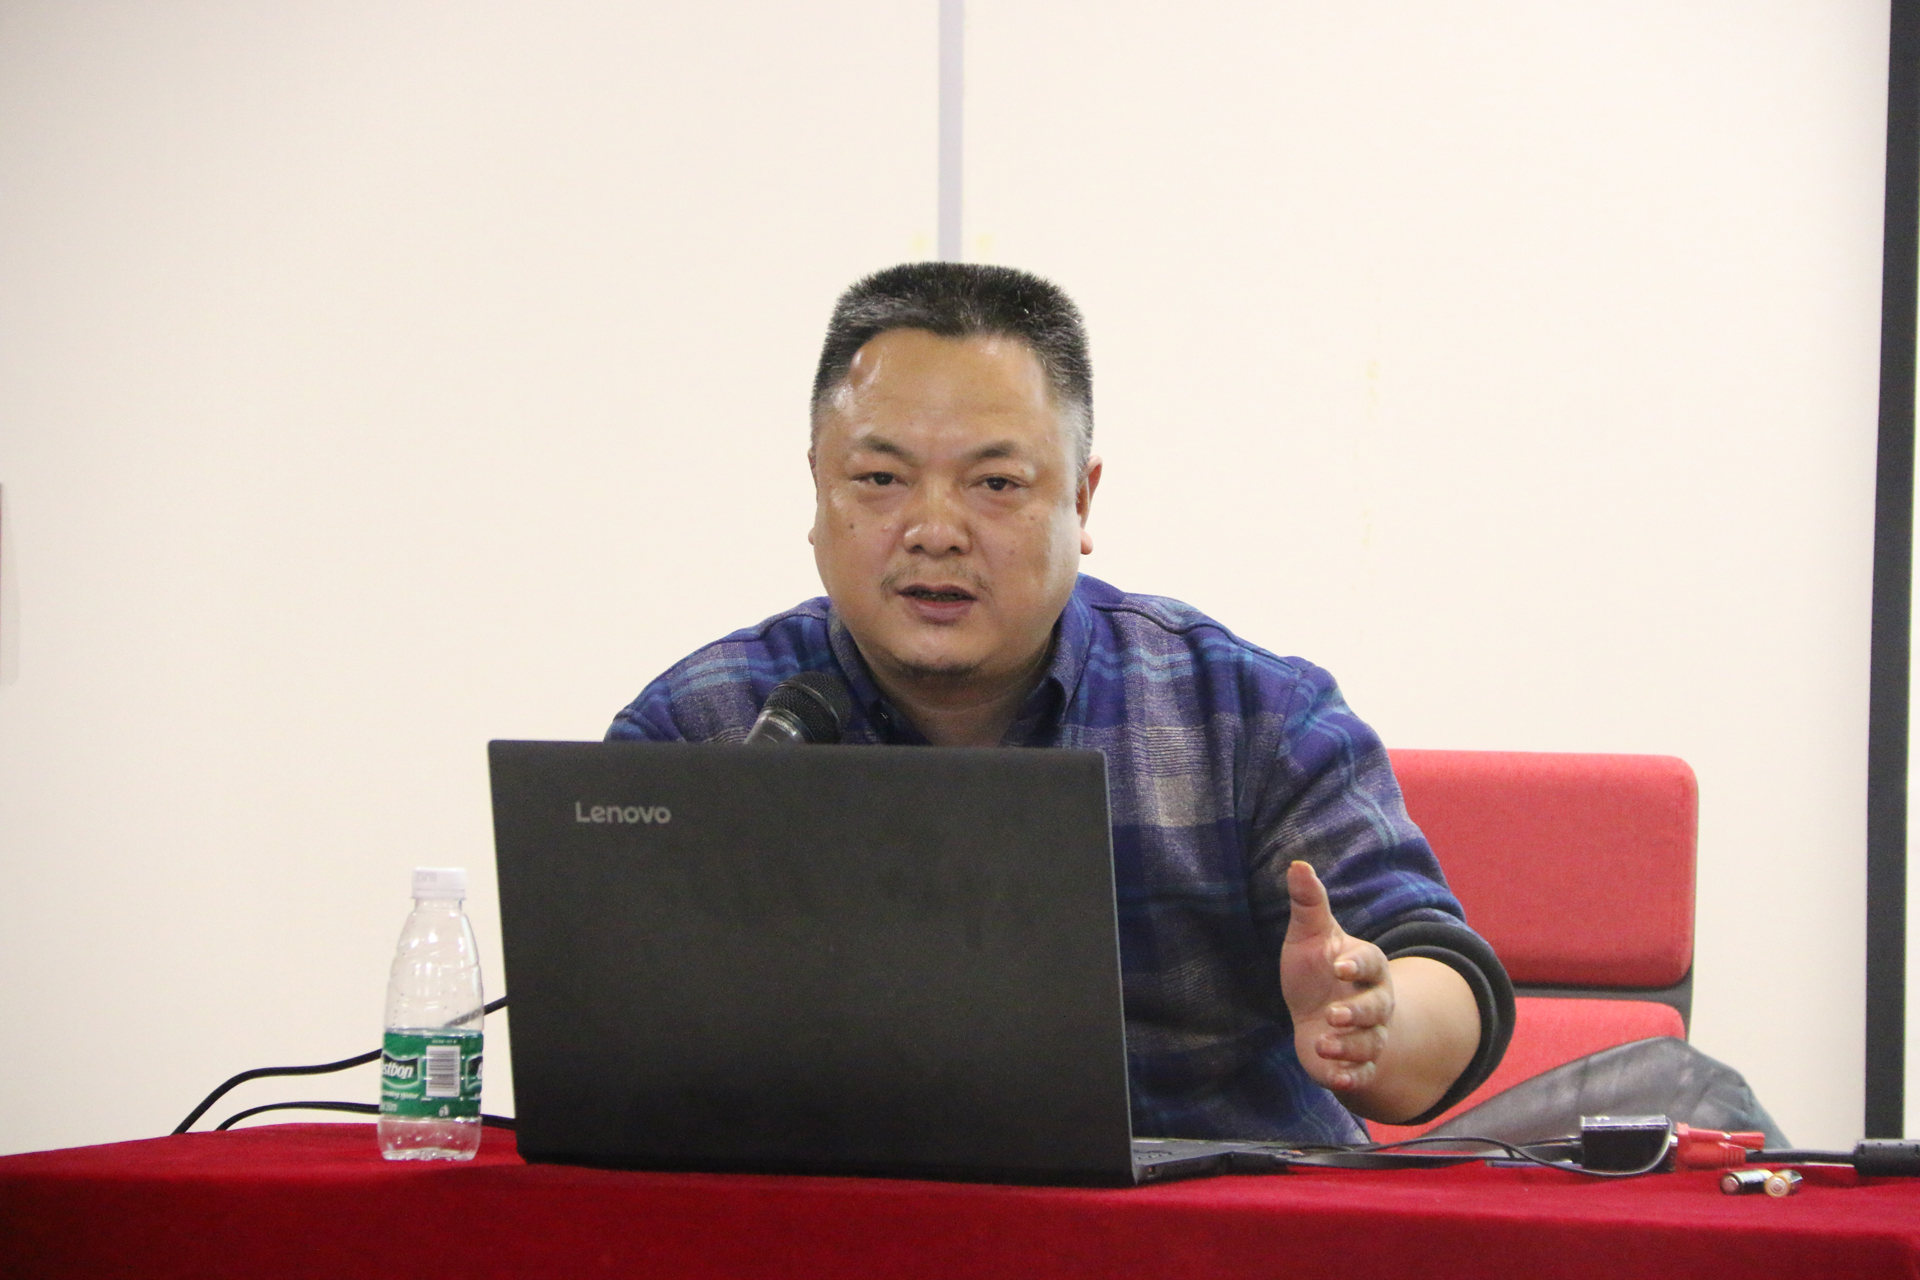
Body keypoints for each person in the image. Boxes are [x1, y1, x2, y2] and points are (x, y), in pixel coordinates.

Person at [608, 262, 1513, 1143]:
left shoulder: (1245, 716)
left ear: (1080, 498)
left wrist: (1372, 1020)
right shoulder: (706, 729)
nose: (934, 531)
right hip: (834, 1223)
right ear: (818, 486)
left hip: (1208, 1223)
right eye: (881, 479)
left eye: (996, 484)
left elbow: (1443, 977)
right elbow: (606, 1039)